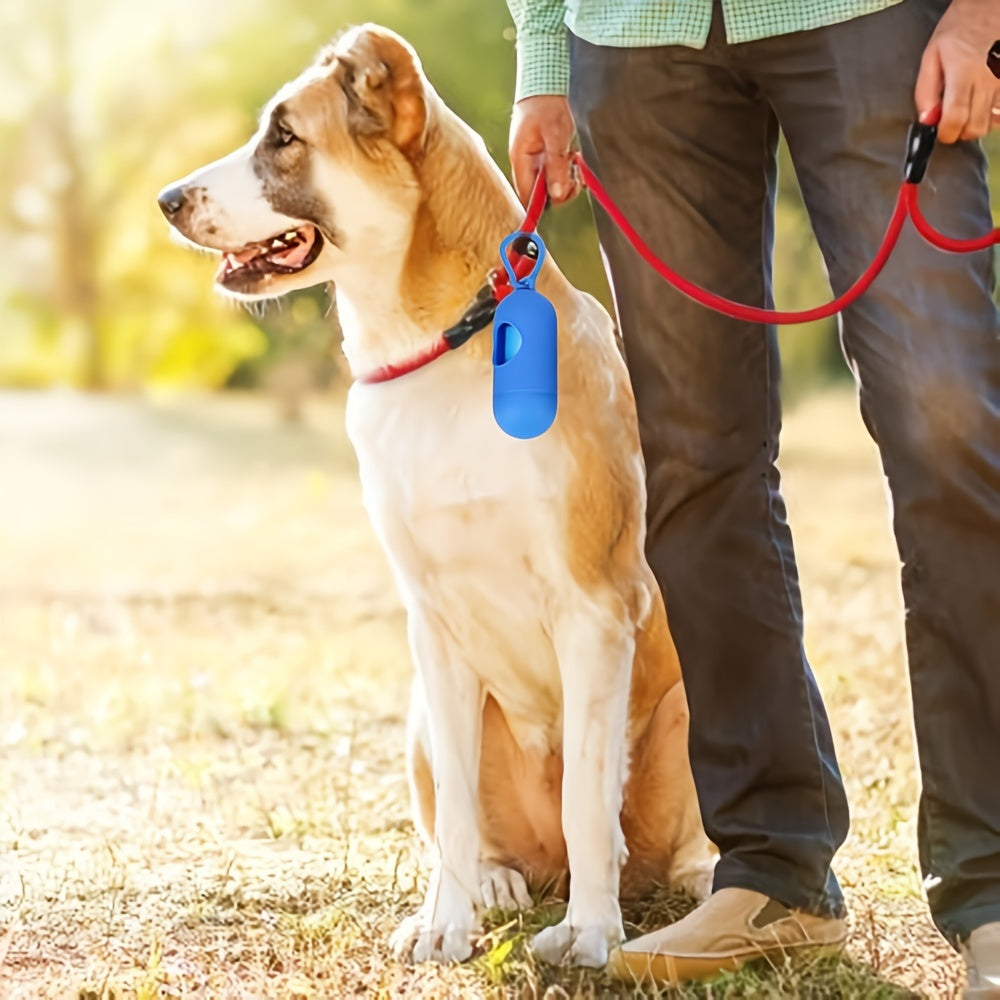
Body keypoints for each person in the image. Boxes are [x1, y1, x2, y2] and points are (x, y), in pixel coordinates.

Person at [505, 0, 1000, 993]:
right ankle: (774, 868)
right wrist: (543, 50)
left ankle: (992, 876)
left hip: (875, 20)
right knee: (692, 458)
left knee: (951, 432)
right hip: (635, 38)